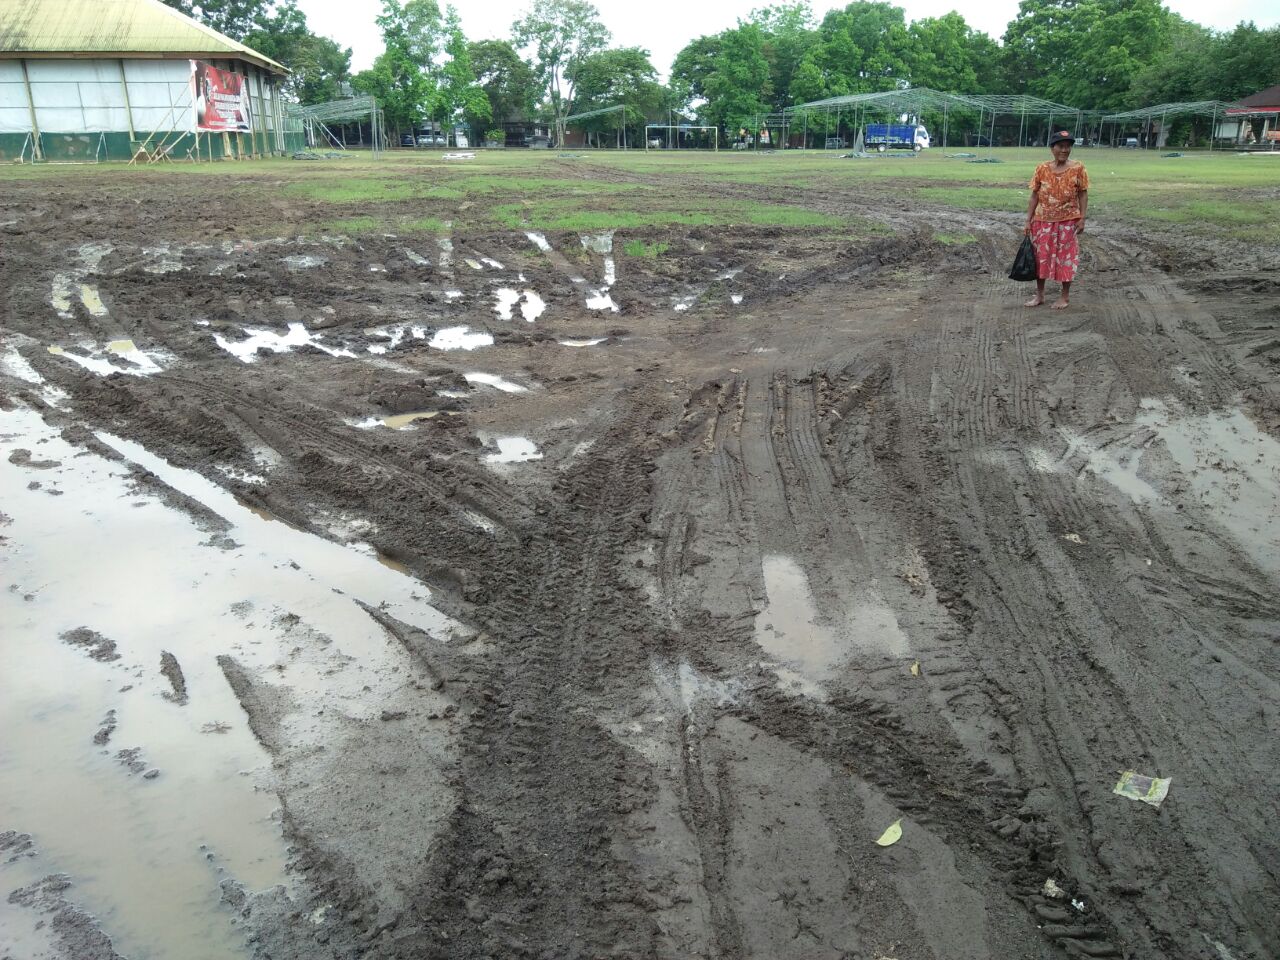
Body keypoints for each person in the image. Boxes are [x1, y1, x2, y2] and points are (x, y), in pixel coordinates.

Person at [1024, 130, 1089, 309]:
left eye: (1068, 147)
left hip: (1068, 221)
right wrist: (1028, 220)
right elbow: (1034, 196)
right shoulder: (1042, 169)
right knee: (1040, 258)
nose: (1065, 150)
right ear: (1052, 148)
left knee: (1066, 258)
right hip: (1043, 221)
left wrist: (1082, 218)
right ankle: (1039, 295)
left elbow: (1083, 194)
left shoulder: (1078, 168)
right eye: (1061, 146)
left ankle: (1064, 297)